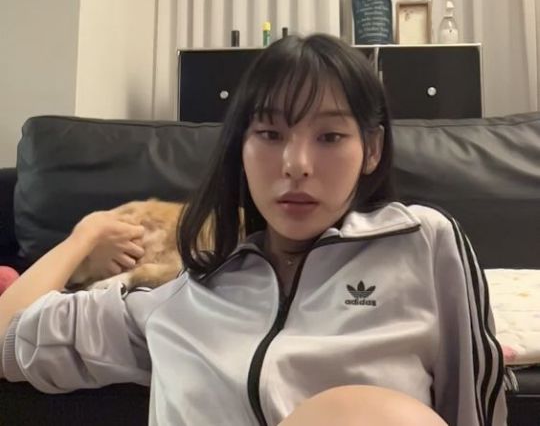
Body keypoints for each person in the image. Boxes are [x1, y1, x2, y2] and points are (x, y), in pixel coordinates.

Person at [0, 34, 506, 426]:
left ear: (371, 150)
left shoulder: (422, 243)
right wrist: (85, 236)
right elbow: (8, 336)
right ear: (240, 148)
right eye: (269, 133)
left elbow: (473, 409)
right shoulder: (174, 299)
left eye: (330, 136)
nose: (296, 164)